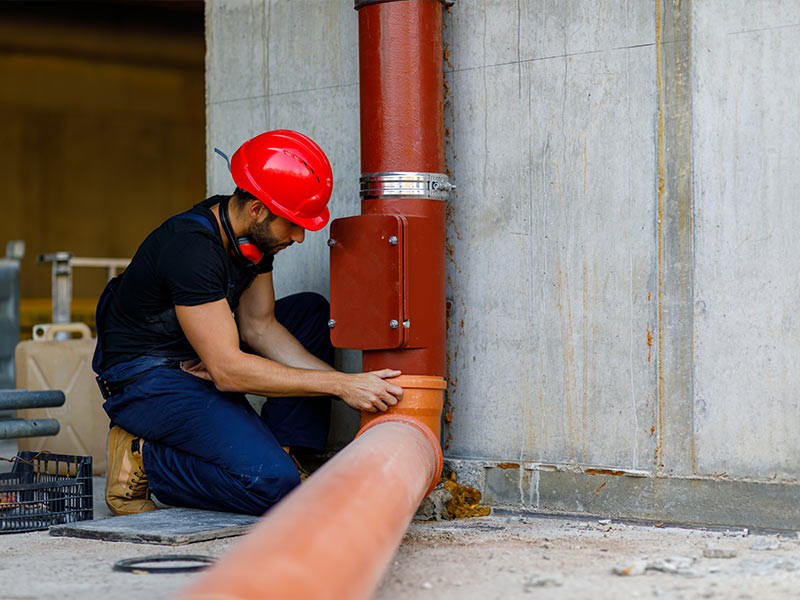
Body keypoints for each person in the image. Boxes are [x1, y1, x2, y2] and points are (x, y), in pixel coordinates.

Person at [93, 130, 403, 516]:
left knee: (309, 312)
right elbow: (227, 372)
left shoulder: (252, 241)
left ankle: (280, 451)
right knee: (271, 486)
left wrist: (353, 391)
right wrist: (341, 385)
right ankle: (145, 457)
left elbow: (260, 327)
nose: (301, 236)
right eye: (292, 223)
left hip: (200, 350)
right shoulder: (190, 248)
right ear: (257, 209)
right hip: (147, 378)